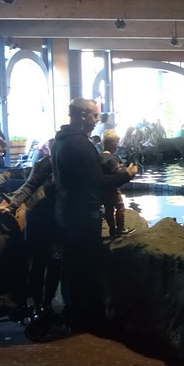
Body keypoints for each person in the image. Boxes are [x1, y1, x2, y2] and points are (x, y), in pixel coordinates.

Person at [52, 98, 137, 331]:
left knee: (71, 265)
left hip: (66, 210)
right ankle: (86, 318)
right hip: (81, 214)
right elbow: (97, 183)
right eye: (94, 116)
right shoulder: (80, 144)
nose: (97, 120)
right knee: (84, 266)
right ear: (81, 116)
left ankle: (72, 313)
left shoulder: (60, 142)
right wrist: (126, 175)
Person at [8, 150, 61, 316]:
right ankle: (43, 304)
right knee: (49, 262)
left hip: (39, 215)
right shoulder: (54, 164)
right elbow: (31, 186)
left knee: (45, 263)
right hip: (47, 217)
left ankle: (42, 304)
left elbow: (29, 185)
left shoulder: (45, 164)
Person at [99, 129, 129, 237]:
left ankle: (112, 229)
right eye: (116, 142)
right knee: (120, 206)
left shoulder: (99, 157)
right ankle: (121, 228)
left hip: (103, 191)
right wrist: (122, 170)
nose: (117, 145)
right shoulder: (111, 158)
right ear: (112, 144)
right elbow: (115, 174)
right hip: (113, 189)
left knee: (108, 209)